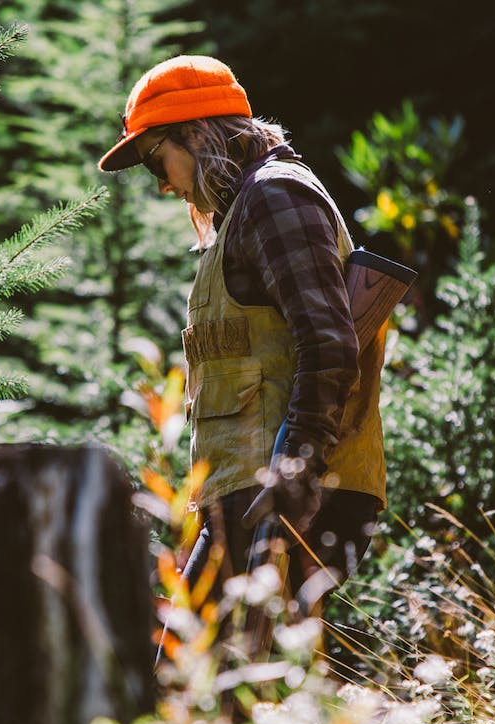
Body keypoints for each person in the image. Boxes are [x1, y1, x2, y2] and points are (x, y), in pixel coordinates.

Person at [98, 55, 387, 625]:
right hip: (256, 492)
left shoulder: (274, 197)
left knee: (210, 689)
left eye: (159, 158)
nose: (161, 184)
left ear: (199, 136)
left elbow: (328, 341)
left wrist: (293, 471)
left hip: (284, 492)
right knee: (233, 692)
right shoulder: (250, 206)